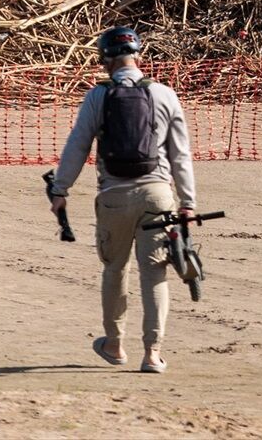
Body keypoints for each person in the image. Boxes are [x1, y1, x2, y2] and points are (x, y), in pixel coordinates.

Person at [48, 25, 197, 374]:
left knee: (115, 269)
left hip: (113, 195)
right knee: (155, 273)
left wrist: (60, 189)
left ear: (105, 61)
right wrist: (187, 202)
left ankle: (114, 345)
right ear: (138, 56)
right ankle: (153, 353)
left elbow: (78, 145)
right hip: (158, 195)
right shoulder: (164, 94)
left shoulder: (98, 96)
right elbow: (181, 156)